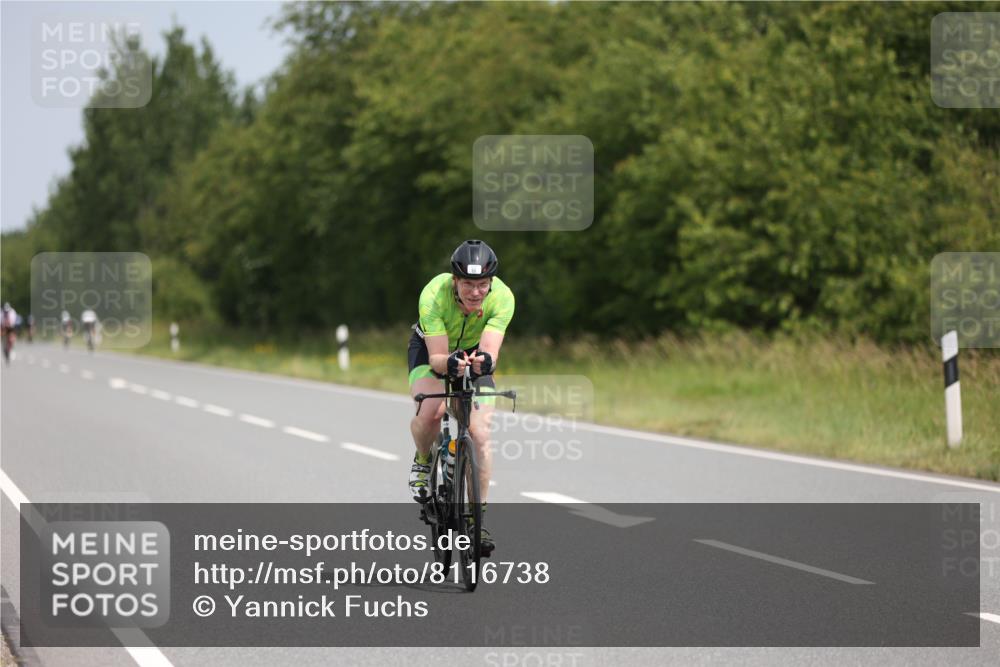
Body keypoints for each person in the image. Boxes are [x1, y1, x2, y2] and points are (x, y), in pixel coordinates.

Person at [407, 240, 514, 553]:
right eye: (468, 283)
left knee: (480, 433)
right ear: (455, 280)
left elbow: (491, 351)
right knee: (432, 412)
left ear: (491, 282)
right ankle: (424, 460)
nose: (476, 292)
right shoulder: (433, 295)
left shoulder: (504, 298)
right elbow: (439, 358)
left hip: (472, 353)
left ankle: (476, 520)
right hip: (431, 351)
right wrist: (450, 364)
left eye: (482, 284)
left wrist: (486, 362)